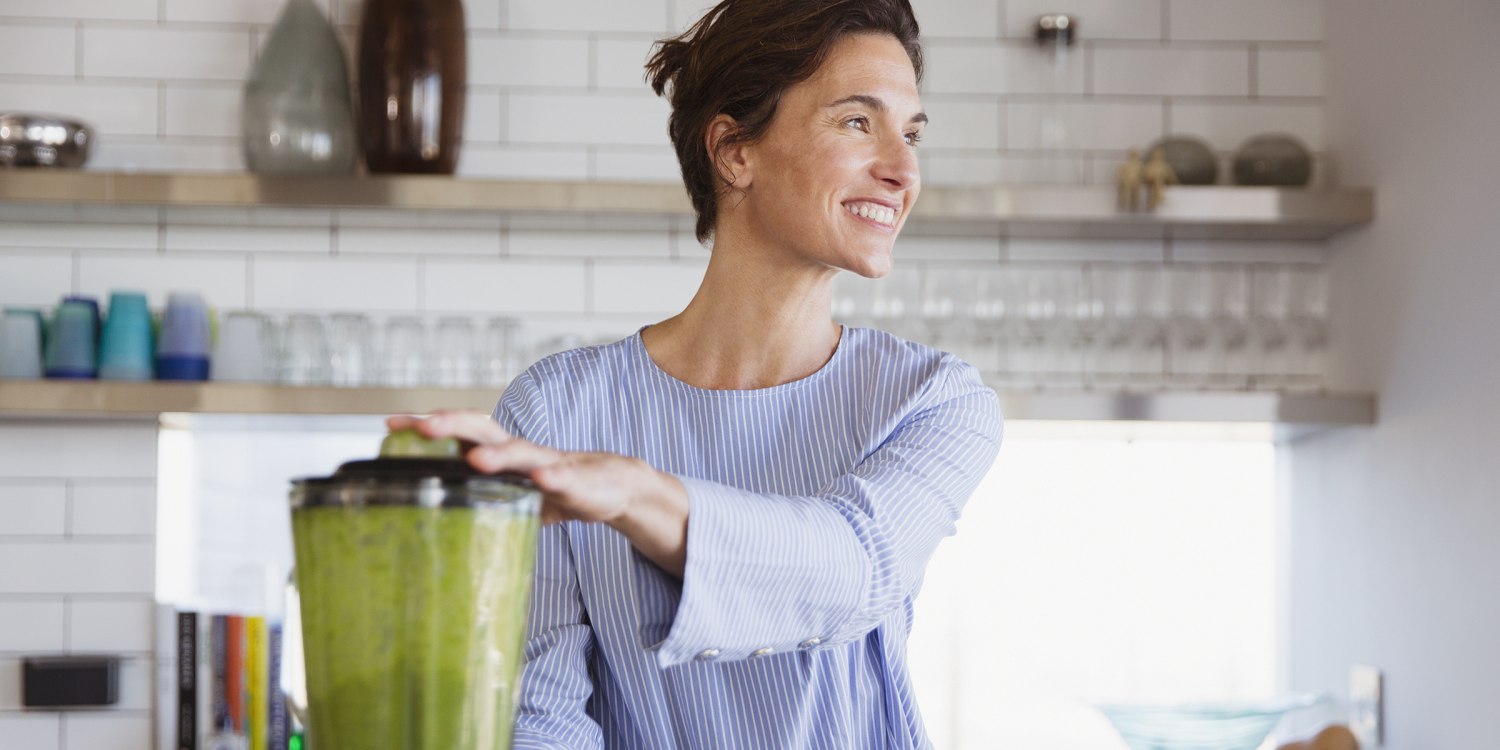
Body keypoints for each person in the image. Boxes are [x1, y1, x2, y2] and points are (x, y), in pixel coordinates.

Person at [389, 0, 1003, 746]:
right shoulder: (556, 413)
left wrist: (634, 495)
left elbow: (854, 569)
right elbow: (542, 715)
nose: (903, 170)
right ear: (734, 151)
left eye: (910, 133)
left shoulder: (933, 402)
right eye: (856, 122)